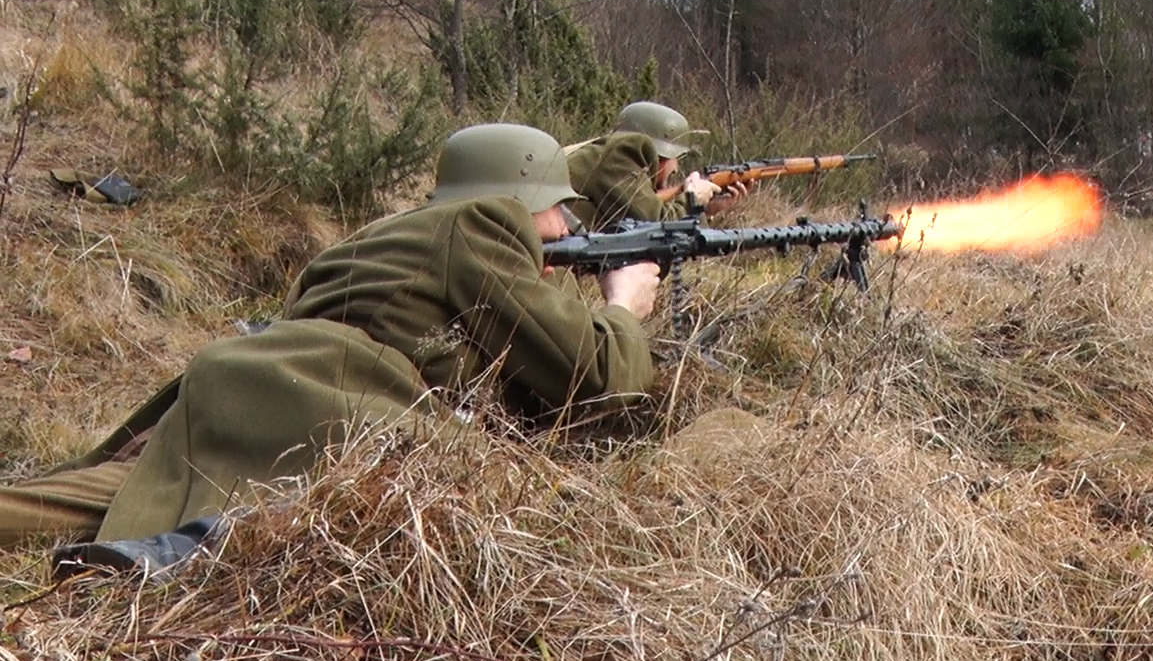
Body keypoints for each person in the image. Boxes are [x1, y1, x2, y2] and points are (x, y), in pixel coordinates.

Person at [0, 123, 659, 549]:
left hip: (244, 388)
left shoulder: (389, 234)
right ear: (521, 197)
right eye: (557, 204)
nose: (566, 220)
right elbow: (600, 377)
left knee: (101, 503)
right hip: (318, 410)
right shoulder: (485, 225)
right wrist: (624, 304)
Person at [566, 100, 747, 230]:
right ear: (660, 154)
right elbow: (655, 226)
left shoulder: (601, 155)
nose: (676, 168)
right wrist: (692, 200)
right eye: (675, 157)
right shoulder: (620, 156)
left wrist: (705, 210)